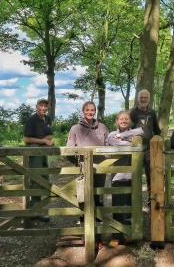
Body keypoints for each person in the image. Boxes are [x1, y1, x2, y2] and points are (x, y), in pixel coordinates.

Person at [66, 101, 109, 250]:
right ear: (83, 111)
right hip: (84, 171)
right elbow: (69, 150)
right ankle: (86, 233)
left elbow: (108, 147)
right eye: (88, 110)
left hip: (100, 170)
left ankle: (98, 234)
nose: (90, 112)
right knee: (84, 200)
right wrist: (79, 165)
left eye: (93, 110)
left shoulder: (102, 127)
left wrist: (105, 163)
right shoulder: (75, 129)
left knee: (98, 199)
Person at [107, 111, 144, 248]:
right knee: (117, 205)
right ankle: (116, 235)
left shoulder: (136, 132)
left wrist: (122, 136)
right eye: (121, 119)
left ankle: (128, 233)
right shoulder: (111, 134)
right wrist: (132, 144)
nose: (124, 121)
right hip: (117, 175)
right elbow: (114, 142)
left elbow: (142, 131)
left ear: (130, 121)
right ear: (117, 121)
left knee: (130, 205)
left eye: (126, 119)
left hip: (132, 175)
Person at [23, 97, 54, 223]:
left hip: (43, 152)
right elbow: (26, 139)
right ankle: (35, 211)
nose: (43, 108)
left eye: (45, 106)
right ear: (36, 106)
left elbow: (51, 135)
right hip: (34, 152)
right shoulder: (32, 119)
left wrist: (44, 141)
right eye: (41, 106)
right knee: (36, 179)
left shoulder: (47, 119)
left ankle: (35, 209)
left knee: (44, 179)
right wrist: (44, 141)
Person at [129, 90, 161, 201]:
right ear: (138, 98)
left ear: (149, 99)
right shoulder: (132, 112)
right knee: (134, 177)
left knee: (151, 176)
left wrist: (158, 145)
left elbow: (157, 130)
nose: (143, 99)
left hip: (149, 149)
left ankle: (152, 205)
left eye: (145, 98)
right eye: (141, 97)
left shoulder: (152, 112)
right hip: (134, 150)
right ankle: (134, 207)